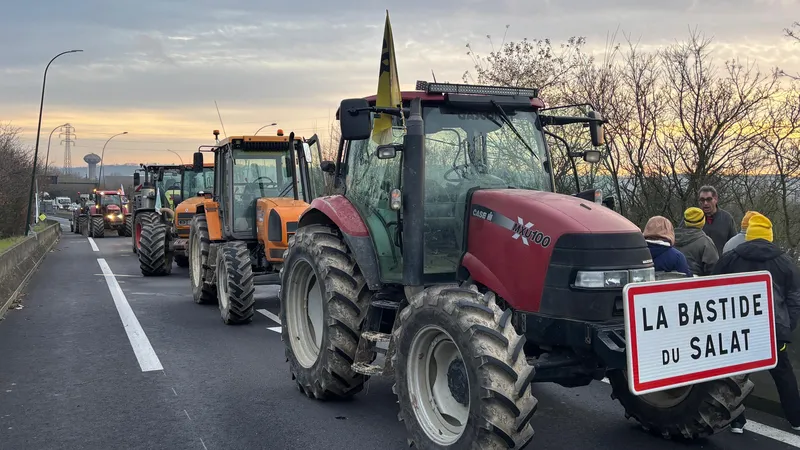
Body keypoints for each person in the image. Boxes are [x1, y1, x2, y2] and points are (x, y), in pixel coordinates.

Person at [713, 213, 800, 434]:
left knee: (736, 374)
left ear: (749, 235)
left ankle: (737, 422)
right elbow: (794, 298)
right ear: (769, 236)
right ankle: (796, 418)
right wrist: (787, 326)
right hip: (772, 329)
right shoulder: (785, 262)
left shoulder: (730, 258)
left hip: (738, 326)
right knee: (783, 373)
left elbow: (714, 288)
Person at [675, 207, 719, 276]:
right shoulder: (706, 242)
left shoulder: (671, 239)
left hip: (672, 280)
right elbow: (714, 269)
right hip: (697, 281)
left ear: (685, 221)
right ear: (703, 222)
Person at [697, 185, 738, 255]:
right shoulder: (692, 218)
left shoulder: (727, 218)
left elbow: (734, 243)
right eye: (702, 200)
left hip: (721, 260)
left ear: (715, 199)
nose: (705, 203)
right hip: (698, 261)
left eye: (709, 199)